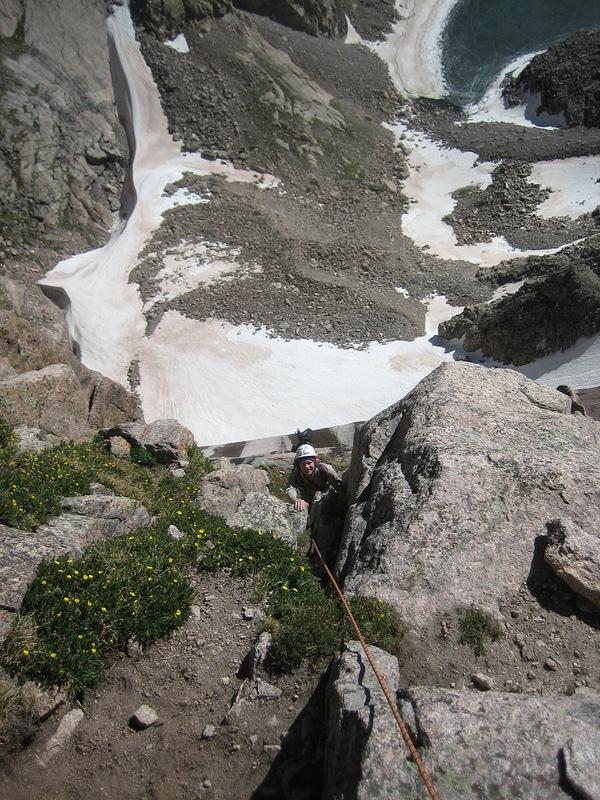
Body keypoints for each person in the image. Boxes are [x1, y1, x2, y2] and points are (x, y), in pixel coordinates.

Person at [285, 444, 344, 522]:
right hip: (308, 502)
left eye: (309, 463)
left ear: (315, 461)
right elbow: (290, 488)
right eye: (303, 464)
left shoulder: (325, 470)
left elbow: (338, 485)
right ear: (298, 465)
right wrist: (295, 500)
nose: (306, 467)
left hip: (326, 499)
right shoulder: (296, 473)